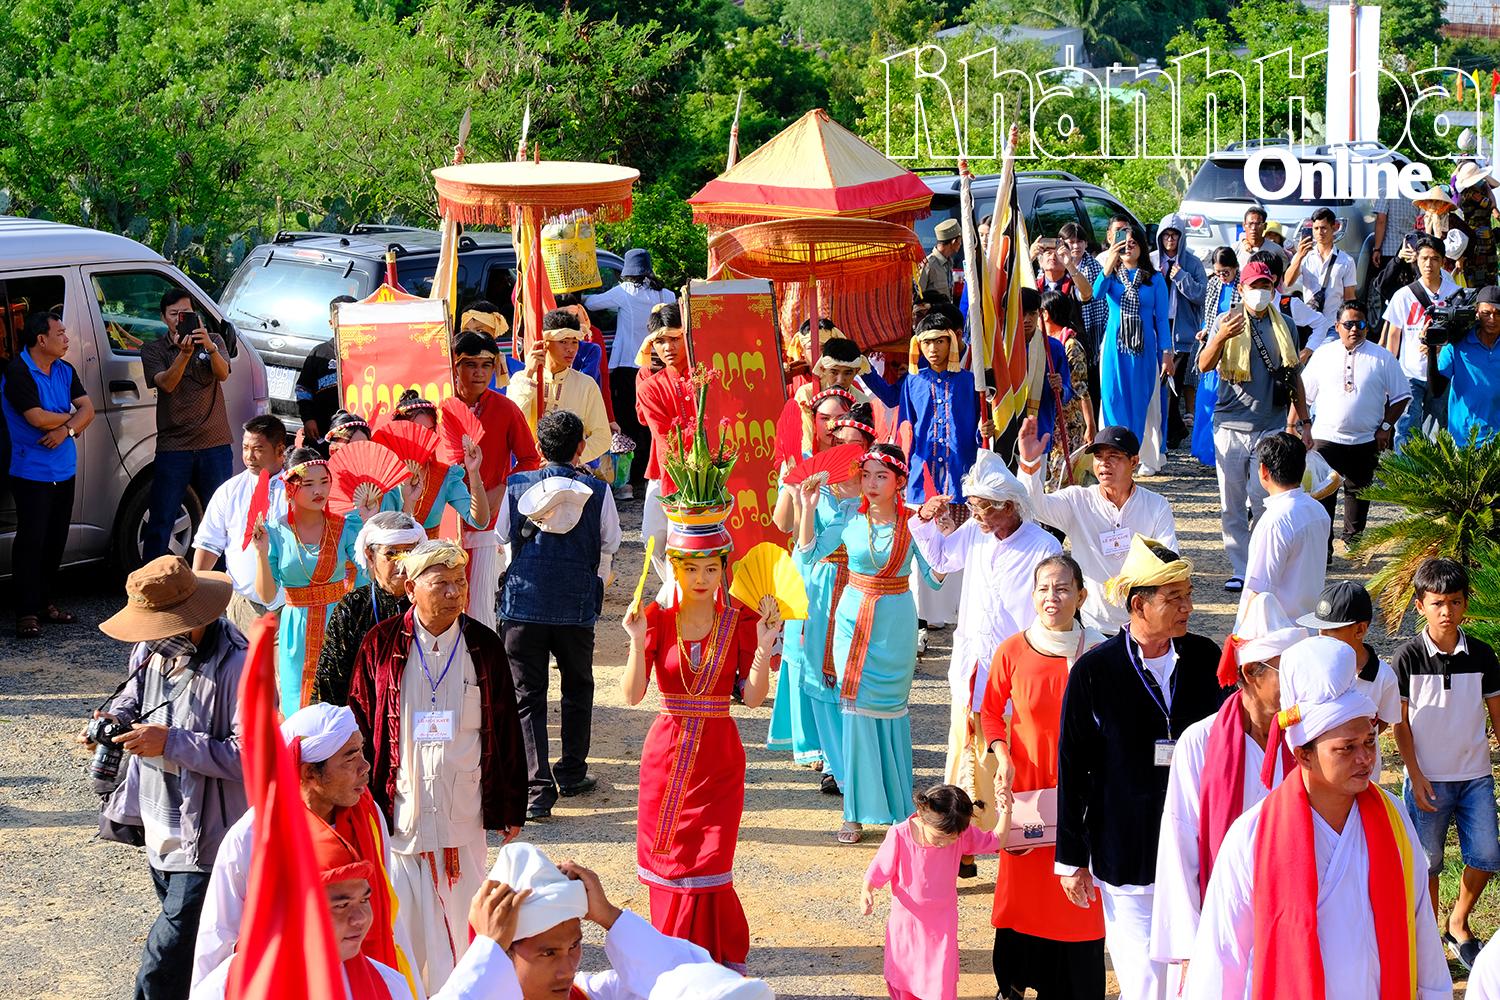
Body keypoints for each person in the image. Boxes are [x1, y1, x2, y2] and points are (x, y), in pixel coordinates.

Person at [1185, 637, 1452, 999]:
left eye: (1369, 742)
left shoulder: (1393, 817)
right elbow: (1221, 960)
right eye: (1347, 748)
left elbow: (1420, 926)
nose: (1365, 759)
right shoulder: (1251, 836)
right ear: (1304, 755)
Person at [346, 538, 527, 990]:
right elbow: (362, 725)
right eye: (441, 583)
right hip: (402, 814)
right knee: (403, 934)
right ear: (410, 588)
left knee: (466, 929)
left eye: (460, 582)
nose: (454, 592)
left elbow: (505, 727)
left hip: (461, 812)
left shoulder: (483, 646)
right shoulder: (381, 644)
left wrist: (510, 804)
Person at [622, 475, 783, 971]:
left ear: (722, 569)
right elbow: (631, 696)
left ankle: (711, 956)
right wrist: (634, 639)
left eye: (710, 568)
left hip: (718, 756)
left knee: (710, 859)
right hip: (666, 753)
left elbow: (753, 700)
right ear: (674, 565)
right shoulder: (654, 616)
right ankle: (669, 956)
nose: (700, 577)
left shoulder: (739, 618)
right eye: (690, 567)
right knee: (667, 861)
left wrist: (765, 643)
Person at [1054, 536, 1224, 1000]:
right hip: (1125, 846)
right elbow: (1073, 764)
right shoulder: (1094, 670)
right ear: (1138, 605)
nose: (1188, 606)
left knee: (1200, 972)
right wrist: (1071, 858)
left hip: (1198, 843)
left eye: (1188, 595)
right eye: (1174, 598)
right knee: (1143, 979)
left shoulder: (1207, 659)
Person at [93, 556, 246, 1000]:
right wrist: (113, 720)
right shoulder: (152, 648)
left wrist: (171, 742)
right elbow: (132, 697)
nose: (147, 633)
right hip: (159, 824)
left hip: (208, 839)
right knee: (188, 954)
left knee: (160, 963)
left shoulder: (238, 664)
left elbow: (249, 757)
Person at [192, 703, 417, 993]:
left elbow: (382, 899)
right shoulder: (252, 837)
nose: (366, 766)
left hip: (365, 978)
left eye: (361, 751)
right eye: (350, 758)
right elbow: (218, 934)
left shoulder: (369, 814)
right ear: (310, 772)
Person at [909, 449, 1060, 869]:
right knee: (964, 755)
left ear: (1007, 506)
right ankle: (963, 846)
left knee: (1012, 755)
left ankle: (1018, 837)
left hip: (1017, 667)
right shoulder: (975, 534)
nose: (976, 516)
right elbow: (939, 561)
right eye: (972, 507)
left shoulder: (1043, 545)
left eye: (982, 508)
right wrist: (924, 521)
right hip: (971, 661)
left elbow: (1052, 607)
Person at [1148, 593, 1303, 978]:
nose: (1301, 684)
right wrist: (1188, 948)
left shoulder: (1307, 738)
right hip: (1222, 916)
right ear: (1252, 674)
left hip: (1295, 912)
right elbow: (1180, 841)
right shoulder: (1200, 742)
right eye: (1289, 672)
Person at [800, 444, 941, 845]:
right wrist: (807, 507)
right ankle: (854, 812)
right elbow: (809, 553)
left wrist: (940, 530)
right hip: (851, 622)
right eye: (867, 475)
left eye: (882, 475)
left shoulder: (913, 524)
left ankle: (899, 808)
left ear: (900, 482)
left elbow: (935, 578)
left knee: (891, 713)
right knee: (856, 717)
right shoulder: (850, 521)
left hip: (894, 627)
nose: (872, 483)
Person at [981, 554, 1107, 999]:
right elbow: (991, 713)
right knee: (1025, 891)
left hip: (1084, 793)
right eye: (1043, 589)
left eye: (1062, 588)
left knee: (1078, 887)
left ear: (1081, 595)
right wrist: (1001, 754)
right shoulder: (1012, 650)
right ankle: (1013, 980)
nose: (1051, 598)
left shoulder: (1101, 652)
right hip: (1028, 792)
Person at [441, 843, 774, 1000]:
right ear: (505, 953)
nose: (566, 968)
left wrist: (609, 916)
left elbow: (696, 984)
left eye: (574, 946)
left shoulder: (591, 994)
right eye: (547, 953)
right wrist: (487, 949)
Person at [500, 409, 621, 820]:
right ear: (580, 448)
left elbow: (502, 536)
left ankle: (536, 791)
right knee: (577, 688)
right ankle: (571, 773)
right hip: (575, 605)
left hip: (522, 606)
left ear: (538, 448)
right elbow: (611, 543)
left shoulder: (516, 486)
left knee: (526, 696)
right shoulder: (599, 492)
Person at [1391, 557, 1500, 972]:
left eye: (1455, 602)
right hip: (1427, 779)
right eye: (1437, 602)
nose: (1446, 611)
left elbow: (1497, 714)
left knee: (1487, 854)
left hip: (1475, 775)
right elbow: (1399, 724)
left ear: (1465, 603)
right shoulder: (1406, 658)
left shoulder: (1484, 655)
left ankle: (1458, 922)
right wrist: (1415, 774)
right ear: (1420, 605)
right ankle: (1429, 937)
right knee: (1428, 863)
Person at [1197, 260, 1311, 593]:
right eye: (1253, 286)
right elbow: (1204, 364)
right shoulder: (1225, 320)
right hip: (1230, 425)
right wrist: (1220, 337)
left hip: (1271, 425)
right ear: (1241, 289)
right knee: (1232, 501)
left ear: (1273, 288)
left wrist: (1304, 423)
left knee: (1264, 501)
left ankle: (1261, 566)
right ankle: (1240, 567)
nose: (1260, 293)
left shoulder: (1286, 325)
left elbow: (1293, 376)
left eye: (1265, 286)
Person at [871, 310, 985, 642]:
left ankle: (957, 614)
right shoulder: (912, 382)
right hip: (922, 479)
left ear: (953, 342)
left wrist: (984, 430)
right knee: (923, 548)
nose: (933, 349)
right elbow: (904, 426)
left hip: (960, 477)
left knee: (959, 546)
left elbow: (980, 431)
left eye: (940, 341)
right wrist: (866, 371)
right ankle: (920, 620)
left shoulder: (970, 381)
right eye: (927, 342)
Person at [1017, 421, 1177, 632]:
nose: (1104, 463)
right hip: (1092, 624)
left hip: (1142, 622)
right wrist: (1030, 464)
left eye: (1114, 457)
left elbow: (1169, 559)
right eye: (1099, 457)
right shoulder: (1077, 500)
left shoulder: (1156, 505)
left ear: (1134, 462)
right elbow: (1036, 506)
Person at [250, 447, 368, 713]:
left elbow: (366, 571)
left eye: (325, 482)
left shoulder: (344, 526)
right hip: (295, 630)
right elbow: (268, 596)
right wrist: (260, 553)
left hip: (338, 623)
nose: (320, 491)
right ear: (290, 487)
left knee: (340, 703)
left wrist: (369, 524)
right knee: (297, 707)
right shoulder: (275, 532)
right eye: (309, 484)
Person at [1, 309, 95, 638]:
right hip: (30, 470)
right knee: (31, 540)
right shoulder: (18, 372)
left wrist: (67, 431)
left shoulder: (65, 370)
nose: (67, 339)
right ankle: (25, 612)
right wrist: (71, 417)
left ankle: (45, 603)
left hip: (63, 467)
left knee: (55, 539)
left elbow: (90, 409)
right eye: (60, 334)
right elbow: (37, 419)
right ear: (42, 339)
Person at [862, 784, 1003, 1000]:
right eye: (939, 837)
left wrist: (1007, 809)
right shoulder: (899, 835)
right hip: (906, 924)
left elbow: (996, 840)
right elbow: (879, 868)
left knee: (940, 982)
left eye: (952, 838)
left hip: (942, 926)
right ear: (922, 816)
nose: (945, 843)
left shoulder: (960, 833)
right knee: (905, 977)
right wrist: (867, 890)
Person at [451, 330, 542, 630]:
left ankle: (481, 674)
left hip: (486, 524)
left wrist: (504, 489)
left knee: (479, 609)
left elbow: (529, 459)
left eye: (486, 365)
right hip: (441, 522)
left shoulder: (505, 409)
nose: (479, 373)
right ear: (454, 365)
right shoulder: (439, 408)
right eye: (470, 364)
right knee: (440, 604)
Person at [1301, 302, 1409, 547]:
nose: (1354, 329)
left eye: (1359, 324)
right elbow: (1303, 396)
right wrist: (1300, 427)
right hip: (1325, 438)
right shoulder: (1322, 355)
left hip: (1365, 439)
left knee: (1359, 493)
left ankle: (1353, 543)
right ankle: (1322, 548)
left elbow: (1402, 396)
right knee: (1322, 495)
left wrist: (1386, 427)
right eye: (1348, 324)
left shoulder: (1382, 357)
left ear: (1366, 328)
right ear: (1337, 326)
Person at [142, 289, 233, 560]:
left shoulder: (213, 340)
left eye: (186, 314)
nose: (180, 319)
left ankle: (225, 583)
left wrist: (210, 347)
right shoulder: (153, 349)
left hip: (214, 443)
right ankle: (152, 585)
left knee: (222, 518)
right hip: (174, 446)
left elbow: (223, 373)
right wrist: (183, 354)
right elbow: (167, 384)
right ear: (164, 318)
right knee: (161, 517)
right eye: (174, 315)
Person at [585, 249, 676, 499]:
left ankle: (627, 479)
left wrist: (579, 296)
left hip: (627, 365)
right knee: (653, 423)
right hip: (657, 365)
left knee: (627, 421)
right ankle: (649, 476)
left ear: (627, 271)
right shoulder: (666, 295)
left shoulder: (623, 293)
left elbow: (591, 303)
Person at [314, 511, 427, 705]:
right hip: (366, 721)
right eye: (391, 554)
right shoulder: (354, 607)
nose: (401, 564)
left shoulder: (428, 600)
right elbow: (329, 684)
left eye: (409, 553)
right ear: (370, 555)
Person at [191, 415, 289, 634]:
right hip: (244, 605)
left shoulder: (297, 490)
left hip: (291, 606)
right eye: (245, 448)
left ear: (280, 450)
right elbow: (208, 543)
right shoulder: (229, 490)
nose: (249, 457)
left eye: (258, 449)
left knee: (285, 669)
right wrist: (194, 592)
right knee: (241, 667)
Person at [1092, 222, 1173, 476]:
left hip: (1144, 350)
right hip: (1115, 350)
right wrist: (1109, 263)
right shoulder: (1112, 276)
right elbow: (1095, 294)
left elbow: (1161, 319)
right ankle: (1113, 455)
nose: (1127, 247)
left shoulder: (1155, 279)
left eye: (1132, 243)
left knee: (1139, 404)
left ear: (1141, 247)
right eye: (1122, 243)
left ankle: (1132, 457)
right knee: (1114, 400)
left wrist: (1167, 354)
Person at [633, 304, 695, 596]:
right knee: (654, 540)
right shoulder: (648, 381)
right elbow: (653, 427)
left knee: (687, 542)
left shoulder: (704, 373)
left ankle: (678, 594)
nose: (667, 347)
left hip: (707, 473)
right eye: (660, 341)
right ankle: (673, 586)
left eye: (674, 338)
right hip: (664, 471)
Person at [1238, 433, 1329, 620]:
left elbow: (1260, 590)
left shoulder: (1274, 521)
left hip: (1276, 633)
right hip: (1309, 624)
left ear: (1263, 470)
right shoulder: (1318, 510)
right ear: (1303, 468)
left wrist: (1240, 636)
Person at [1297, 581, 1403, 736]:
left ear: (1360, 630)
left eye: (1331, 630)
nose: (1322, 636)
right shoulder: (1309, 667)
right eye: (1320, 628)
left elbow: (1384, 719)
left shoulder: (1384, 676)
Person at [1382, 234, 1458, 447]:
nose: (1429, 264)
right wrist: (1391, 373)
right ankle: (1405, 478)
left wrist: (1441, 345)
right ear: (1416, 260)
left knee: (1439, 431)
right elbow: (1394, 335)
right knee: (1406, 429)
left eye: (1434, 258)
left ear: (1443, 261)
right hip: (1409, 373)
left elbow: (1461, 335)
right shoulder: (1404, 295)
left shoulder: (1455, 294)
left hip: (1443, 373)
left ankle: (1433, 479)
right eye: (1424, 258)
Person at [506, 310, 611, 464]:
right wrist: (528, 374)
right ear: (544, 343)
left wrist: (571, 458)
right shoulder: (521, 380)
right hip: (528, 468)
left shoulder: (586, 384)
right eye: (563, 341)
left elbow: (602, 437)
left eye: (574, 342)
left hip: (570, 471)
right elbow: (513, 423)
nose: (571, 349)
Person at [384, 390, 490, 538]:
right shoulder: (385, 479)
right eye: (415, 431)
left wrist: (474, 473)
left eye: (429, 431)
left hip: (431, 559)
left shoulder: (443, 476)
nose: (423, 438)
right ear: (400, 433)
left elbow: (480, 521)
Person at [1151, 215, 1207, 450]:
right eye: (1166, 234)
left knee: (1171, 384)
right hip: (1155, 328)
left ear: (1182, 237)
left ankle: (1171, 431)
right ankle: (1173, 429)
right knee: (1159, 383)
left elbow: (1200, 294)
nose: (1170, 239)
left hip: (1182, 332)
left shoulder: (1192, 263)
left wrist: (1181, 276)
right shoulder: (1152, 260)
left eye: (1174, 235)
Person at [1038, 290, 1097, 486]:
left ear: (1045, 314)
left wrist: (1090, 426)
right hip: (1049, 418)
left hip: (1068, 421)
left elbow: (1081, 389)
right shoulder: (1039, 344)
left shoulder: (1070, 345)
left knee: (1062, 473)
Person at [1433, 284, 1500, 444]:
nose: (1492, 319)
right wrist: (1430, 349)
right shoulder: (1456, 345)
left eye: (1498, 314)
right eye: (1486, 313)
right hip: (1465, 440)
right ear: (1476, 313)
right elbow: (1436, 389)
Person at [1284, 207, 1357, 339]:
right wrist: (1299, 255)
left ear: (1334, 227)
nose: (1319, 233)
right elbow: (1288, 282)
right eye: (1316, 228)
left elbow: (1349, 297)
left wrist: (1349, 324)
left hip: (1333, 325)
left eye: (1323, 228)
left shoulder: (1346, 261)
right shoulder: (1305, 256)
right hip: (1308, 324)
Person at [297, 295, 357, 444]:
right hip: (323, 429)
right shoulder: (319, 353)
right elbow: (303, 389)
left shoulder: (367, 353)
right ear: (331, 323)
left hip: (356, 430)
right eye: (341, 319)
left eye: (351, 318)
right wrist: (308, 418)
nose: (346, 324)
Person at [1453, 158, 1499, 290]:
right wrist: (1486, 186)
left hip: (1481, 240)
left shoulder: (1470, 192)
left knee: (1482, 277)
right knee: (1482, 278)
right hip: (1479, 242)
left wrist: (1484, 182)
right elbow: (1492, 204)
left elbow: (1496, 184)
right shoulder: (1472, 194)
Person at [917, 219, 962, 301]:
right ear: (953, 241)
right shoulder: (928, 264)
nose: (960, 244)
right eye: (960, 240)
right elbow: (917, 295)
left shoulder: (949, 262)